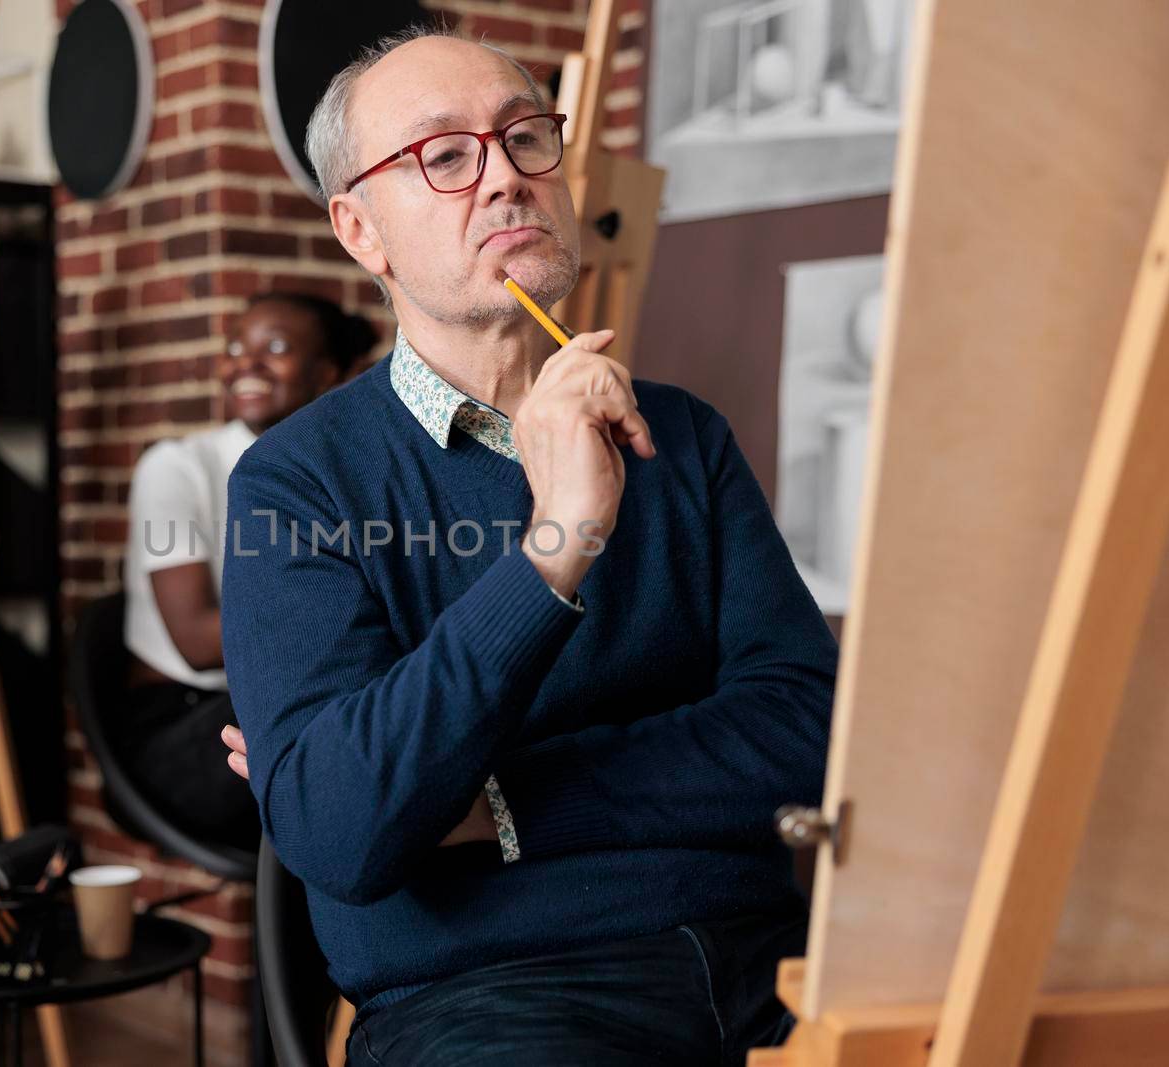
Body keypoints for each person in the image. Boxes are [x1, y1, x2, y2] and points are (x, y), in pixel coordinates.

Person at [217, 28, 837, 1066]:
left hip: (770, 958)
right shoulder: (294, 482)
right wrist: (555, 543)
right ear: (359, 229)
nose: (503, 176)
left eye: (524, 137)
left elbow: (807, 732)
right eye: (444, 156)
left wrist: (501, 804)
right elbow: (343, 828)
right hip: (493, 995)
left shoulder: (680, 435)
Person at [120, 293, 375, 851]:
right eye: (235, 347)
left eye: (276, 348)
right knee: (363, 746)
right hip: (183, 726)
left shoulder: (336, 471)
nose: (245, 363)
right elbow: (196, 643)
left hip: (286, 699)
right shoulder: (177, 467)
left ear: (327, 373)